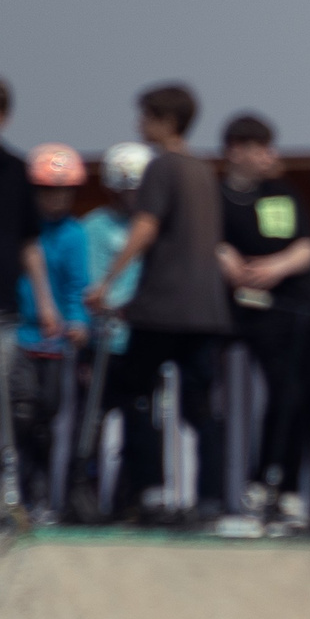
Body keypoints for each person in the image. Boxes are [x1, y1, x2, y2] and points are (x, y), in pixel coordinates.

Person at [86, 83, 235, 524]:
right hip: (205, 308)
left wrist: (108, 284)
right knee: (202, 404)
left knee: (132, 392)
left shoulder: (161, 168)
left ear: (166, 121)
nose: (140, 124)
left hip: (162, 307)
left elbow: (146, 228)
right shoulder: (203, 171)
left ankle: (148, 490)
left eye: (146, 116)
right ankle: (211, 497)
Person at [216, 113, 310, 527]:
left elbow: (307, 247)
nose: (270, 157)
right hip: (231, 310)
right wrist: (224, 256)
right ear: (237, 150)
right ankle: (226, 491)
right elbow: (205, 239)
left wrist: (276, 267)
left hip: (281, 308)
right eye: (262, 148)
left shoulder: (282, 193)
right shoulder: (215, 195)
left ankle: (282, 484)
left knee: (291, 391)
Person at [0, 74, 63, 521]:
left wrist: (46, 303)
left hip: (3, 310)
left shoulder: (14, 171)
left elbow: (29, 245)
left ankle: (10, 493)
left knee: (16, 400)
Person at [11, 146, 92, 517]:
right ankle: (17, 491)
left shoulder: (74, 234)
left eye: (64, 190)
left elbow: (77, 286)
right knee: (20, 414)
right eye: (47, 190)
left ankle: (41, 494)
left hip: (55, 344)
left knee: (48, 417)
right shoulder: (19, 228)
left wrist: (78, 323)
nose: (56, 198)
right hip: (17, 337)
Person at [80, 142, 153, 517]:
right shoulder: (93, 226)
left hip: (139, 344)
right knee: (89, 425)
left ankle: (133, 502)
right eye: (128, 188)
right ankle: (84, 500)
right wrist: (107, 305)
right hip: (100, 343)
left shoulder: (152, 227)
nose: (134, 196)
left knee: (139, 425)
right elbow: (90, 283)